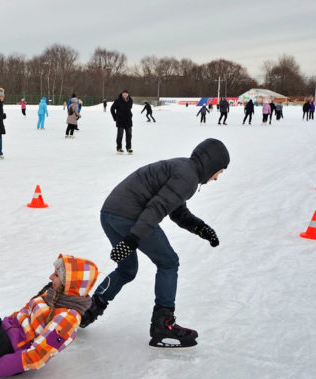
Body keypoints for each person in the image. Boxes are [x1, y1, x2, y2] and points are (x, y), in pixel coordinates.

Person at [80, 138, 229, 348]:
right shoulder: (188, 177)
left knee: (127, 270)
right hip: (128, 215)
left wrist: (201, 228)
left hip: (110, 213)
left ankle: (88, 310)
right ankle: (163, 325)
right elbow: (157, 208)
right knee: (169, 262)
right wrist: (133, 239)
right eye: (219, 172)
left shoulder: (184, 169)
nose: (216, 178)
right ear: (212, 164)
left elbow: (176, 210)